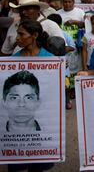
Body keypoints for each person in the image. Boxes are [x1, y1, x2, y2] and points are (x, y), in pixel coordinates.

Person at [9, 20, 55, 172]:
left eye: (21, 34)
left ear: (34, 35)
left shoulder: (51, 59)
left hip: (42, 123)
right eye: (17, 34)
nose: (17, 38)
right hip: (16, 133)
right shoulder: (12, 61)